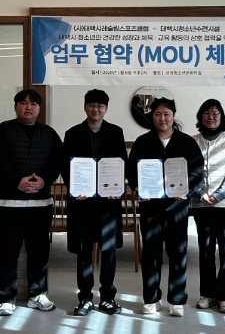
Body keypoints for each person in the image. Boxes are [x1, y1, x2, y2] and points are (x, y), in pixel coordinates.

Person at [0, 89, 63, 316]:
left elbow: (57, 162)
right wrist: (16, 182)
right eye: (23, 103)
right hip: (7, 205)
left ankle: (37, 295)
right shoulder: (2, 131)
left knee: (39, 253)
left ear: (39, 108)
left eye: (33, 104)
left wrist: (43, 180)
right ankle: (7, 299)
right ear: (15, 107)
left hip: (40, 205)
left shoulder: (49, 133)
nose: (28, 107)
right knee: (7, 253)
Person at [127, 98, 204, 318]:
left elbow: (197, 171)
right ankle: (151, 299)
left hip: (176, 207)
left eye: (167, 114)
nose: (162, 118)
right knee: (150, 254)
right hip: (150, 207)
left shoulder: (186, 142)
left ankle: (177, 300)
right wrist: (137, 187)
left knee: (177, 253)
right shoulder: (142, 142)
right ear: (152, 116)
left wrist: (187, 190)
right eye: (158, 114)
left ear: (173, 116)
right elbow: (131, 171)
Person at [62, 89, 127, 316]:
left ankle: (108, 297)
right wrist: (75, 188)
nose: (95, 109)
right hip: (82, 202)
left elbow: (122, 162)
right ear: (85, 107)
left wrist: (117, 188)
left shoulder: (116, 132)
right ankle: (85, 298)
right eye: (91, 105)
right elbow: (66, 166)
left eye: (100, 105)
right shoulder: (72, 133)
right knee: (84, 251)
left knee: (109, 251)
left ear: (106, 109)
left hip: (108, 203)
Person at [190, 99, 225, 314]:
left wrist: (218, 195)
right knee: (206, 250)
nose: (211, 117)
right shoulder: (192, 141)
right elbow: (189, 172)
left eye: (215, 113)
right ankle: (208, 294)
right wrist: (201, 194)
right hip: (200, 204)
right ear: (200, 116)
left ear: (222, 117)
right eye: (207, 113)